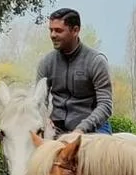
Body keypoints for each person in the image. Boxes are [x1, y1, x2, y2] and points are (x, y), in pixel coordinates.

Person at [37, 8, 113, 136]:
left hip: (94, 128)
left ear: (75, 30)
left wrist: (81, 129)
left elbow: (105, 105)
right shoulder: (46, 62)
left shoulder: (96, 61)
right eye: (51, 30)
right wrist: (45, 118)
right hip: (57, 128)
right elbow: (39, 101)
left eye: (58, 30)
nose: (53, 35)